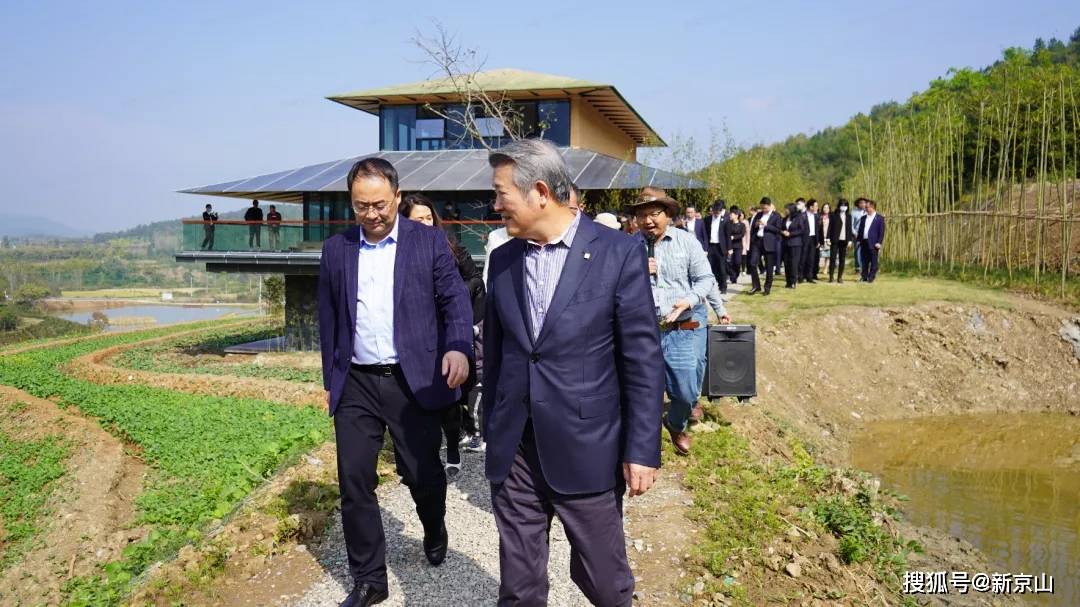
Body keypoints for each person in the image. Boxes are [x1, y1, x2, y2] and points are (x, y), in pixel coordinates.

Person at [483, 139, 663, 607]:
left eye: (502, 193)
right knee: (519, 589)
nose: (495, 203)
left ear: (539, 192)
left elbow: (641, 360)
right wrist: (493, 428)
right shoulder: (502, 259)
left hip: (588, 447)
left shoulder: (617, 253)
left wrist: (642, 449)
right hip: (517, 449)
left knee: (605, 584)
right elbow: (500, 353)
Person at [317, 158, 473, 607]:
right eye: (361, 206)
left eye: (380, 204)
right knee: (354, 479)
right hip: (358, 383)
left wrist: (458, 346)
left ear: (398, 198)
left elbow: (454, 299)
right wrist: (332, 377)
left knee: (420, 472)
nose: (372, 214)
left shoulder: (428, 243)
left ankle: (434, 524)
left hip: (413, 380)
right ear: (352, 204)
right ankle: (370, 580)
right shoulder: (337, 250)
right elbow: (328, 318)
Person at [400, 193, 485, 480]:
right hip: (415, 332)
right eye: (417, 219)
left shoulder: (452, 248)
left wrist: (453, 292)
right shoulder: (399, 253)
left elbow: (476, 281)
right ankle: (416, 453)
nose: (424, 223)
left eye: (428, 218)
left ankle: (452, 445)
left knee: (448, 393)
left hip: (447, 331)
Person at [631, 192, 722, 456]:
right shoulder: (627, 246)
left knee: (685, 393)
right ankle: (643, 449)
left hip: (682, 328)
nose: (647, 221)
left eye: (653, 214)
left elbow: (706, 279)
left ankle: (674, 423)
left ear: (668, 215)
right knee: (641, 392)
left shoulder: (686, 242)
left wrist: (688, 301)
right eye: (641, 215)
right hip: (644, 331)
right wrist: (636, 269)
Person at [747, 198, 782, 295]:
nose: (763, 210)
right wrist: (756, 225)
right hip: (758, 241)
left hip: (769, 243)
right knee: (752, 263)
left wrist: (766, 225)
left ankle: (767, 287)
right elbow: (753, 226)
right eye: (762, 208)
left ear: (770, 205)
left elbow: (778, 230)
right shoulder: (759, 214)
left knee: (769, 266)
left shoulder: (776, 216)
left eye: (765, 208)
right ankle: (756, 286)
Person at [703, 201, 731, 294]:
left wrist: (729, 248)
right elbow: (705, 234)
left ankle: (723, 287)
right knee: (710, 268)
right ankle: (711, 287)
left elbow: (728, 235)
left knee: (722, 268)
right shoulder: (707, 219)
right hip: (711, 246)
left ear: (721, 211)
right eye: (714, 211)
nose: (715, 213)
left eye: (717, 211)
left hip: (720, 247)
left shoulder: (725, 220)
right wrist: (705, 248)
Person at [856, 199, 885, 283]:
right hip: (864, 242)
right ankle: (864, 276)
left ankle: (871, 277)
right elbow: (860, 230)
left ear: (872, 207)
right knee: (864, 261)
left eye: (867, 207)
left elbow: (881, 231)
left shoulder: (879, 218)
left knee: (873, 261)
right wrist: (858, 240)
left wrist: (879, 242)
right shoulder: (863, 218)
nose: (865, 208)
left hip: (873, 243)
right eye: (865, 207)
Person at [782, 203, 808, 289]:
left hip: (795, 243)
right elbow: (781, 228)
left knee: (793, 263)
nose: (785, 211)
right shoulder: (785, 219)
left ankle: (793, 281)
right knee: (786, 263)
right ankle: (788, 281)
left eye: (787, 209)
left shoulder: (798, 218)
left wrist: (791, 234)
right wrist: (783, 232)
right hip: (785, 243)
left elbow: (801, 230)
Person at [827, 199, 853, 282]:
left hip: (844, 240)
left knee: (842, 259)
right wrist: (828, 238)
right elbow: (830, 227)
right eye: (842, 205)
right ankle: (831, 276)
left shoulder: (849, 216)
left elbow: (849, 229)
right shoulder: (834, 215)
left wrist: (850, 240)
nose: (843, 207)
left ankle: (840, 277)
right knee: (833, 258)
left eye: (845, 205)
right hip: (835, 239)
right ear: (839, 206)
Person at [801, 199, 821, 283]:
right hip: (805, 239)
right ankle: (800, 276)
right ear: (810, 207)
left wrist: (818, 241)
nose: (817, 208)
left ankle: (809, 276)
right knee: (803, 258)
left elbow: (817, 230)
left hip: (813, 239)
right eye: (815, 206)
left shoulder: (816, 216)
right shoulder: (803, 216)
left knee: (811, 258)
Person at [726, 207, 746, 284]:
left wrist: (733, 237)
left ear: (736, 215)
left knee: (737, 262)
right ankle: (733, 276)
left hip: (738, 246)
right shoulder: (728, 224)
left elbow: (742, 234)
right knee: (730, 263)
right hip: (730, 246)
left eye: (731, 214)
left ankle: (736, 274)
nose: (730, 216)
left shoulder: (742, 225)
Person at [851, 198, 868, 274]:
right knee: (858, 251)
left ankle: (866, 267)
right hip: (857, 235)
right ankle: (858, 268)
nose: (863, 204)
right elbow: (851, 225)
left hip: (866, 234)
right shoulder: (854, 213)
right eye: (861, 203)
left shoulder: (868, 212)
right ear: (858, 204)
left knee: (866, 251)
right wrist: (854, 233)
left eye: (864, 203)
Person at [819, 203, 831, 275]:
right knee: (821, 254)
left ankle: (826, 268)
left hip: (829, 238)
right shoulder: (819, 217)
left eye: (827, 208)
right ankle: (820, 267)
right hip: (821, 237)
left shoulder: (831, 217)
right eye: (824, 207)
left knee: (828, 254)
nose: (825, 209)